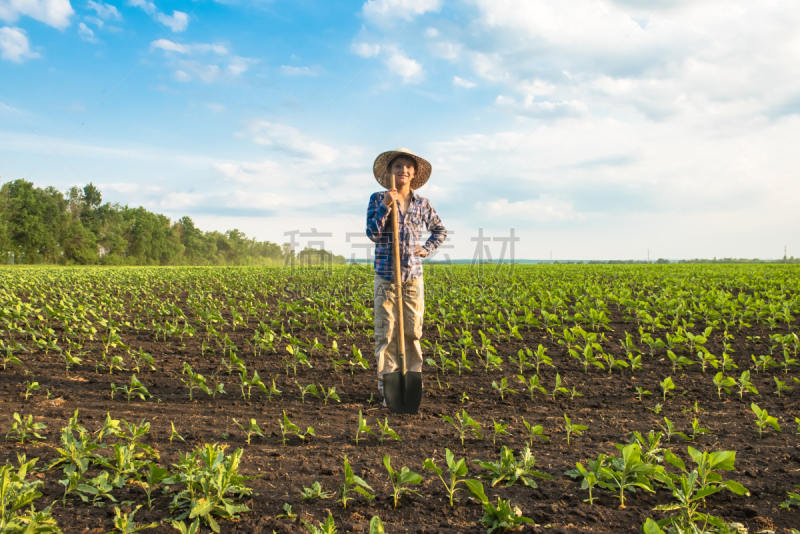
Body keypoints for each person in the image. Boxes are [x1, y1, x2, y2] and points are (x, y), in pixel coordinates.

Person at [366, 148, 447, 407]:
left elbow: (439, 230)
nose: (404, 170)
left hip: (412, 276)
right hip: (386, 276)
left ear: (414, 173)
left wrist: (426, 249)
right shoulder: (378, 198)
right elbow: (373, 233)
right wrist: (386, 207)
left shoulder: (422, 203)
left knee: (412, 330)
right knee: (386, 332)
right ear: (390, 171)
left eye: (408, 167)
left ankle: (412, 380)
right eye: (398, 166)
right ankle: (386, 386)